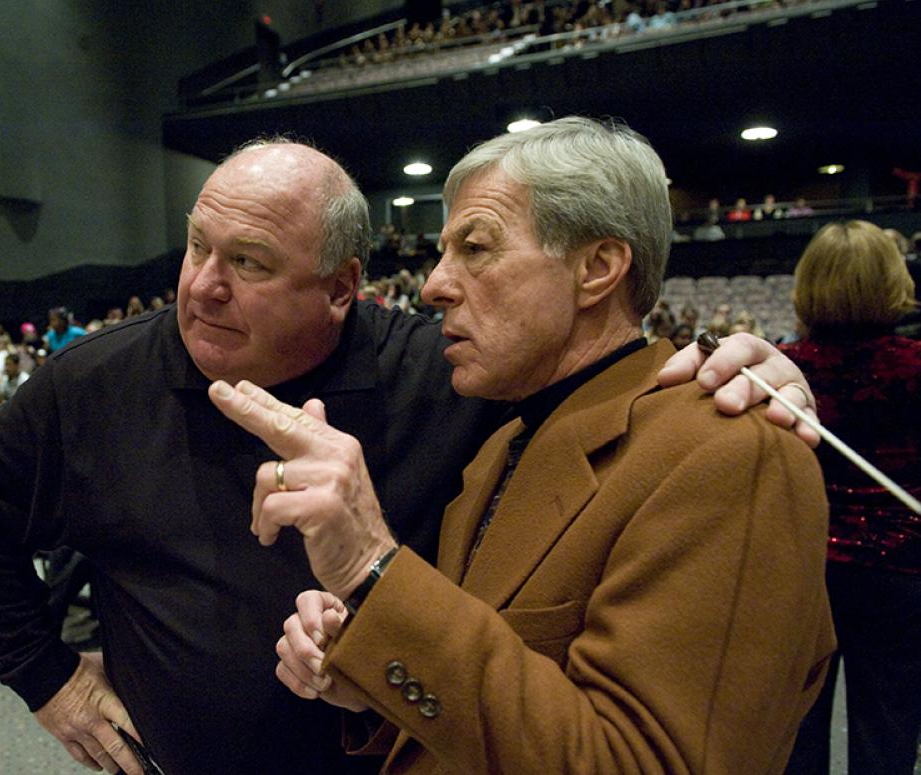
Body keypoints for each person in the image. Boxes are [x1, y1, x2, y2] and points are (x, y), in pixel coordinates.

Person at [0, 138, 820, 775]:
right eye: (198, 245)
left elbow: (616, 393)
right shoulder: (93, 378)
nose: (201, 284)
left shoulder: (462, 388)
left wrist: (749, 369)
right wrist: (45, 677)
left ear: (340, 291)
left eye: (247, 261)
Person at [212, 118, 833, 774]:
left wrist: (372, 565)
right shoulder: (501, 440)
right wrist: (370, 672)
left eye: (475, 248)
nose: (433, 285)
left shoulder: (730, 453)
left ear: (596, 267)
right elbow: (500, 693)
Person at [781, 221, 921, 775]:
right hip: (902, 573)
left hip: (806, 568)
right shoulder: (915, 366)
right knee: (887, 730)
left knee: (798, 729)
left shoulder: (780, 367)